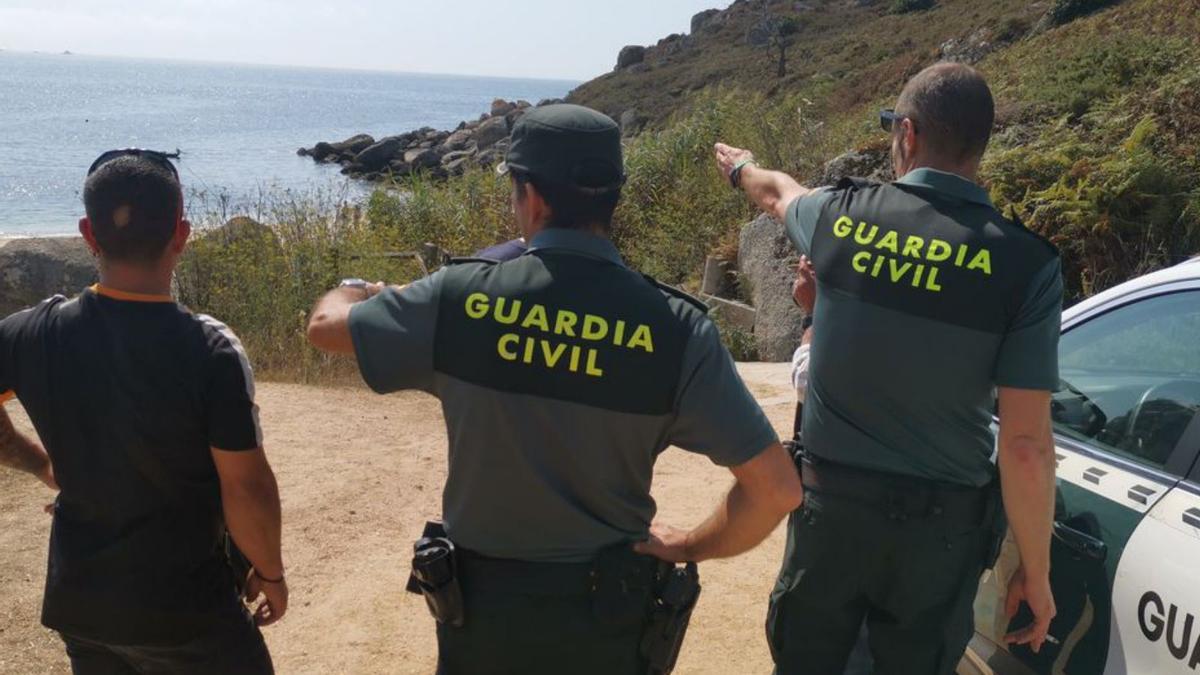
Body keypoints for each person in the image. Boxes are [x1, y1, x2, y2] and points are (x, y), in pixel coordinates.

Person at [307, 104, 803, 674]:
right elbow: (776, 491)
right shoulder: (677, 328)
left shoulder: (458, 299)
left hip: (482, 616)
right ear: (612, 198)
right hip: (609, 618)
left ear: (533, 199)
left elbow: (325, 330)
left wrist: (355, 288)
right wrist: (688, 545)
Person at [717, 62, 1062, 674]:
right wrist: (1035, 573)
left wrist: (742, 166)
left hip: (832, 521)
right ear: (980, 146)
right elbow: (1027, 445)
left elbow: (775, 192)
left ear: (906, 135)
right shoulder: (1026, 266)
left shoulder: (837, 217)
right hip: (940, 540)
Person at [0, 150, 286, 674]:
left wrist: (39, 462)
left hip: (82, 605)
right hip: (188, 612)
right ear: (182, 234)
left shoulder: (27, 334)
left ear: (88, 233)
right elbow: (246, 488)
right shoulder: (210, 350)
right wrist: (270, 572)